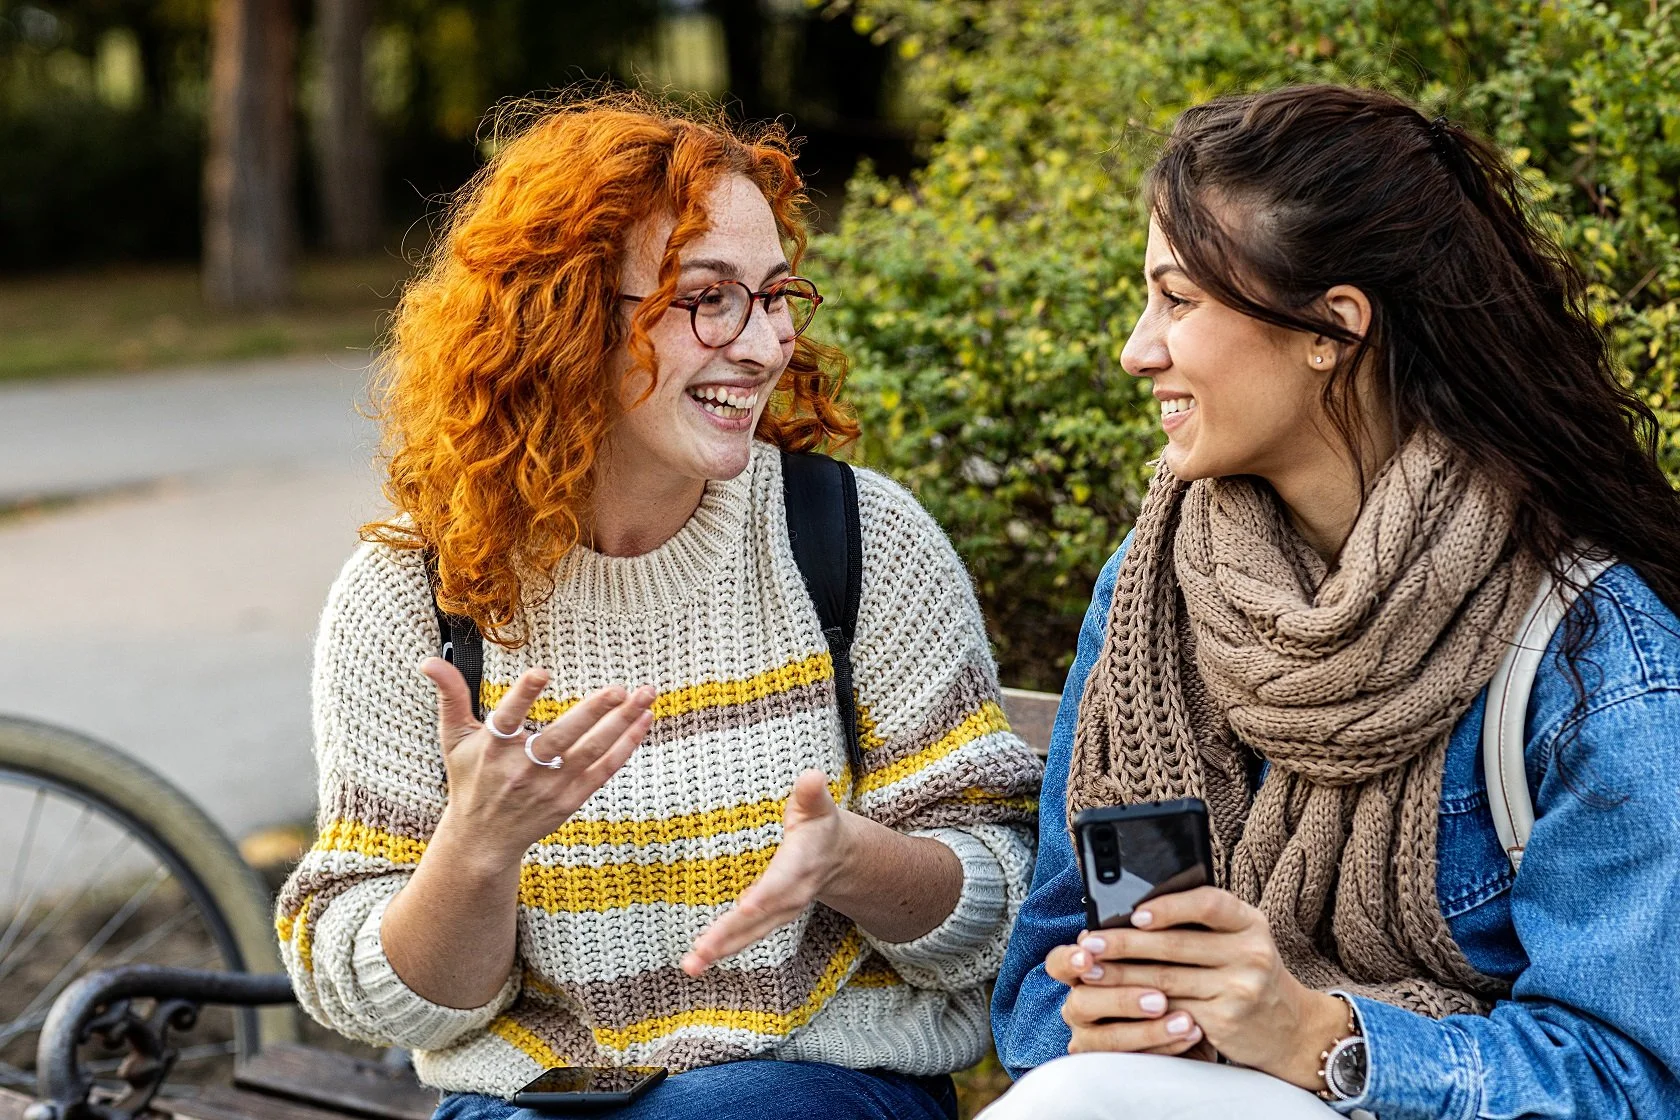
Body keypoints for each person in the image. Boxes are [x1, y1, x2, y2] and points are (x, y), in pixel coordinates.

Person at [273, 93, 1042, 1120]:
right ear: (566, 316)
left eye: (774, 295)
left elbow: (1006, 900)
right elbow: (384, 998)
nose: (765, 344)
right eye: (708, 298)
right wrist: (478, 848)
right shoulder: (417, 598)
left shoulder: (857, 541)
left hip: (809, 1086)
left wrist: (851, 858)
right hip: (535, 1104)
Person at [986, 84, 1680, 1119]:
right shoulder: (1151, 592)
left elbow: (1638, 1076)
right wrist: (1111, 1016)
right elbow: (1043, 990)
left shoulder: (1591, 649)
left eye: (1178, 301)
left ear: (1333, 328)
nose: (1137, 348)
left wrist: (1326, 1042)